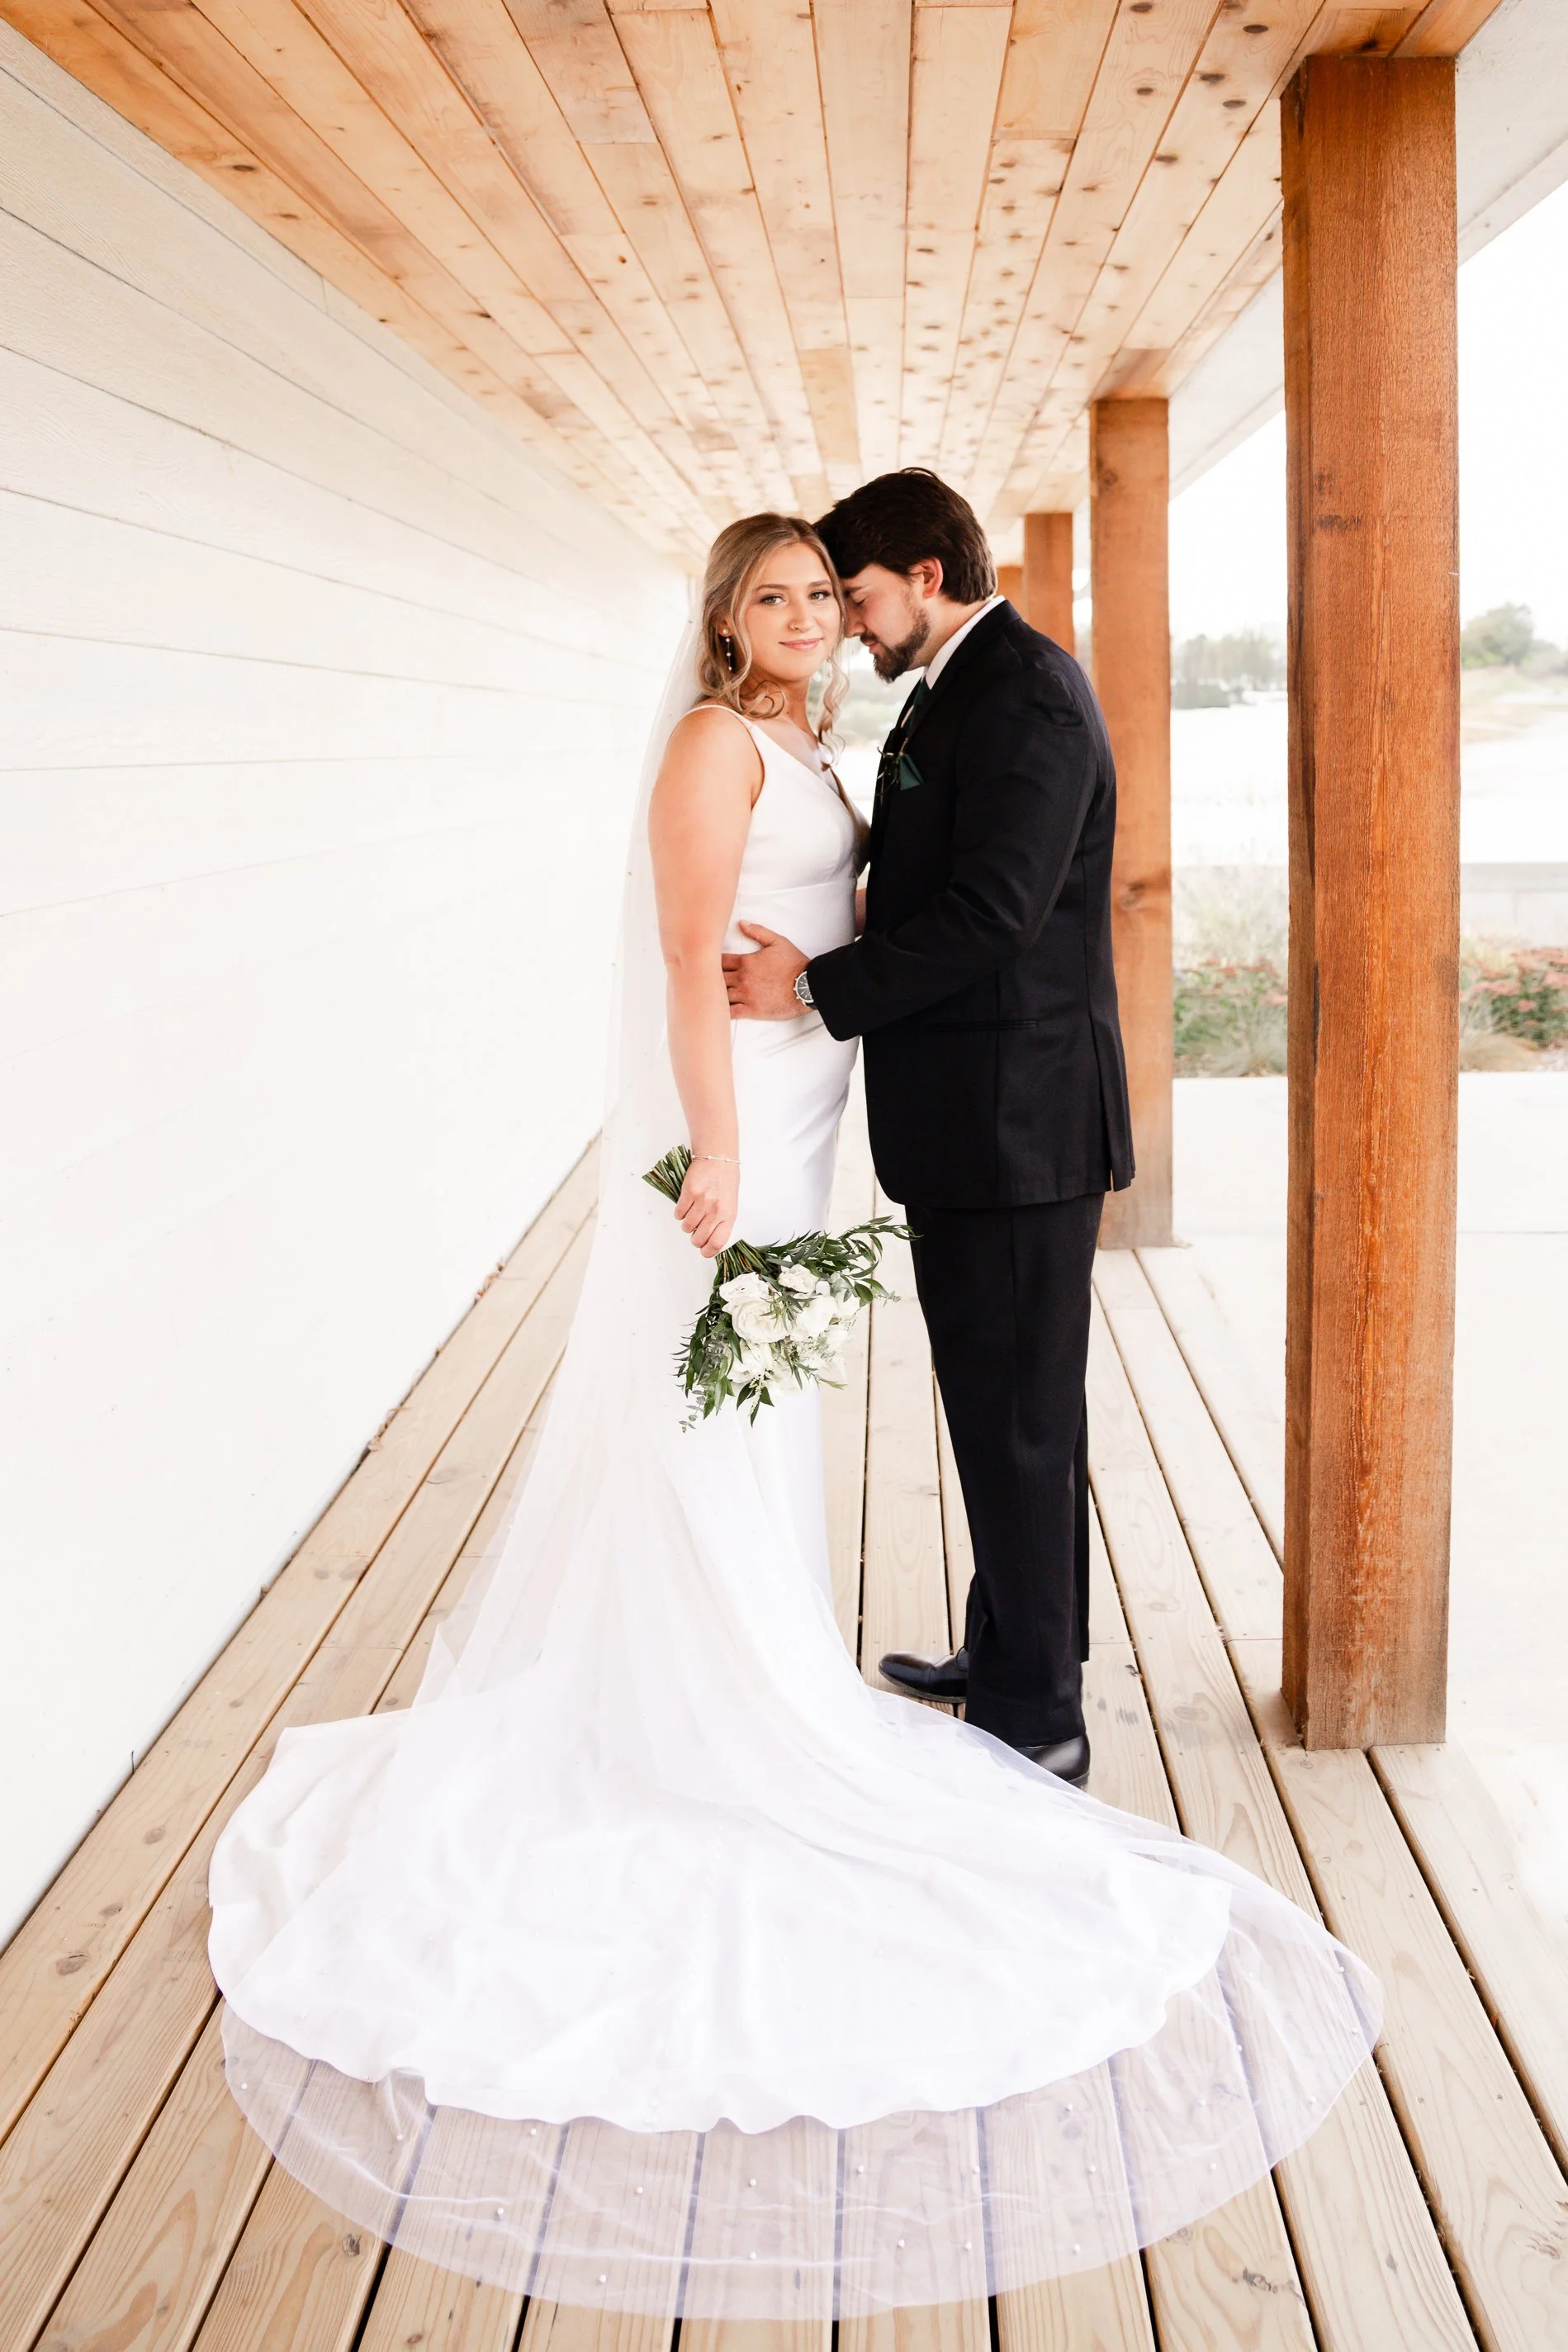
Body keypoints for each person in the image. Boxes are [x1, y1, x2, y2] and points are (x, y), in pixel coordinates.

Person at [206, 513, 1378, 2322]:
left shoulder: (856, 735)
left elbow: (945, 907)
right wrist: (723, 1149)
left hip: (855, 1120)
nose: (808, 620)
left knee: (816, 1422)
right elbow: (693, 956)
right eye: (776, 596)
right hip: (744, 1129)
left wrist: (811, 1035)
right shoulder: (712, 744)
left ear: (874, 597)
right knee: (729, 1410)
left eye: (825, 595)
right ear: (722, 618)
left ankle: (880, 1670)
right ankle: (738, 1686)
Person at [725, 471, 1128, 1786]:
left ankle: (1040, 1718)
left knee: (1014, 1418)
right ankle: (1009, 1650)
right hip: (977, 1126)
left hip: (1019, 1129)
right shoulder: (956, 688)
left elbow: (995, 914)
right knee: (1009, 1410)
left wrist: (812, 988)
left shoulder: (1023, 692)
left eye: (855, 595)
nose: (847, 621)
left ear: (928, 578)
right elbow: (925, 876)